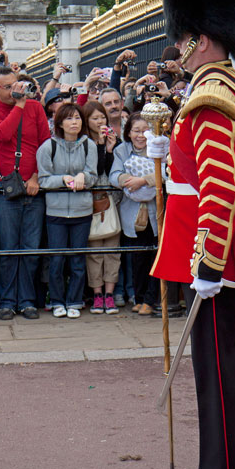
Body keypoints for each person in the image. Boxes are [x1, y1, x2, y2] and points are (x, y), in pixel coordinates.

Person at [151, 0, 235, 469]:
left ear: (201, 33)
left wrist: (209, 265)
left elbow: (219, 188)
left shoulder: (213, 95)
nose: (178, 45)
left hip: (212, 251)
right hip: (216, 247)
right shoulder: (226, 86)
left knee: (218, 370)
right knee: (214, 367)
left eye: (183, 34)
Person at [0, 67, 50, 321]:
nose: (14, 90)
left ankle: (28, 301)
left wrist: (36, 176)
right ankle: (8, 301)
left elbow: (45, 144)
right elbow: (2, 133)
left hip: (33, 186)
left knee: (30, 248)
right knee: (9, 249)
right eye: (7, 87)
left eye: (16, 85)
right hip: (5, 188)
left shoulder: (35, 107)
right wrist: (19, 107)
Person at [37, 104, 97, 319]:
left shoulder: (89, 145)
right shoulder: (47, 147)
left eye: (78, 118)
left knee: (78, 259)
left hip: (82, 210)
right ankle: (56, 300)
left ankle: (75, 300)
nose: (75, 122)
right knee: (57, 259)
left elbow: (93, 175)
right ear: (59, 123)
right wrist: (62, 179)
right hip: (56, 211)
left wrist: (84, 177)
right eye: (69, 118)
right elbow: (43, 179)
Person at [109, 112, 159, 315]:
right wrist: (127, 181)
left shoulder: (157, 148)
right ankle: (138, 298)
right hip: (132, 211)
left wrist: (144, 180)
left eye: (145, 130)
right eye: (136, 131)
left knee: (155, 256)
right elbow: (114, 175)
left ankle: (150, 299)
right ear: (128, 133)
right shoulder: (122, 150)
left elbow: (165, 172)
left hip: (155, 212)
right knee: (137, 259)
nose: (140, 135)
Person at [83, 100, 121, 314]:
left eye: (102, 118)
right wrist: (99, 146)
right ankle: (97, 294)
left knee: (112, 250)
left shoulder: (113, 140)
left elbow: (110, 169)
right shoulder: (84, 142)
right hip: (91, 200)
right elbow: (95, 171)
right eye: (95, 118)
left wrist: (110, 148)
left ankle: (110, 294)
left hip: (111, 200)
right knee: (95, 251)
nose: (100, 122)